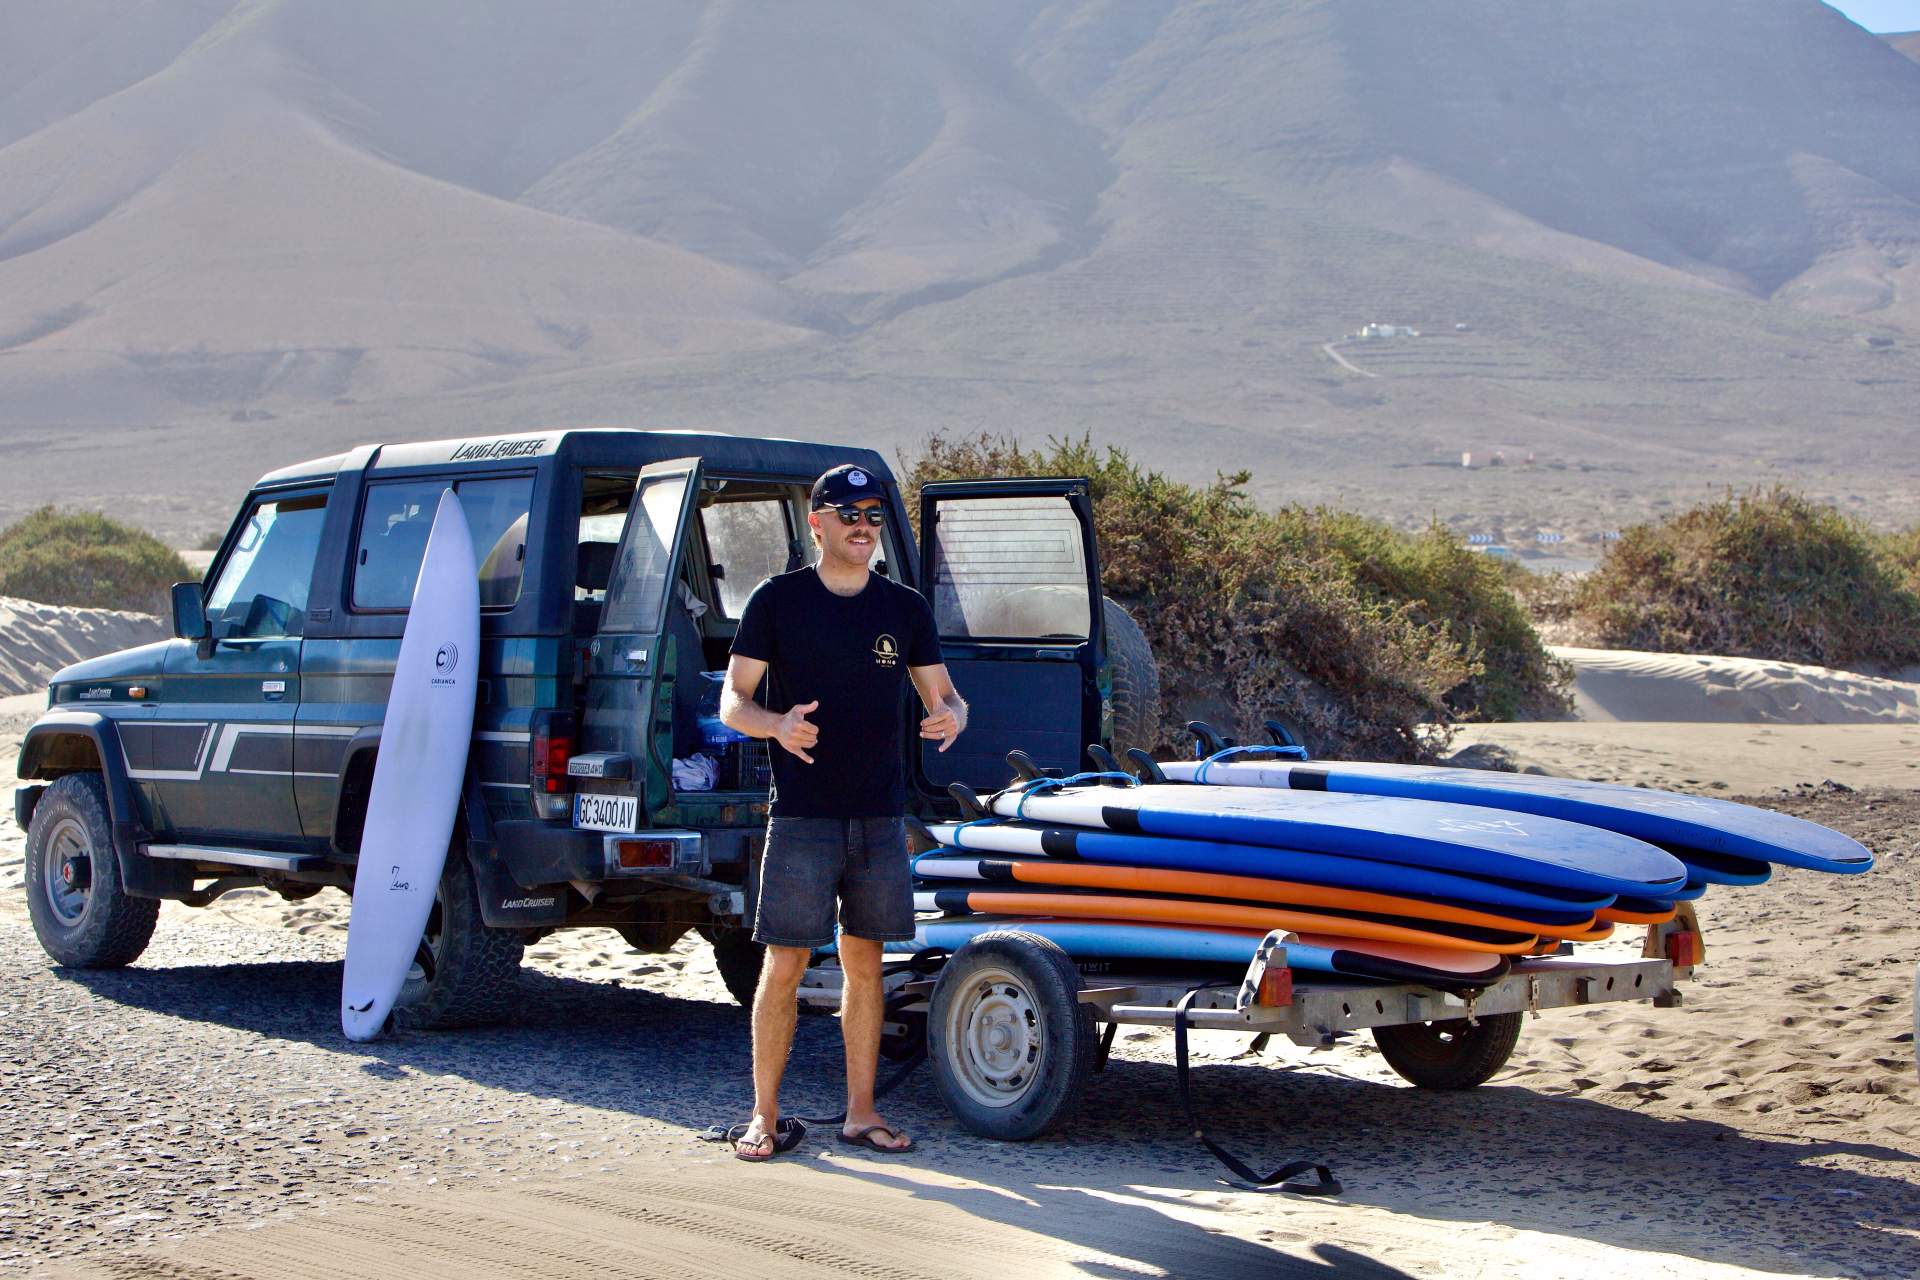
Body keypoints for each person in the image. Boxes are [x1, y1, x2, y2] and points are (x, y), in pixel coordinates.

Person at [719, 463, 968, 1161]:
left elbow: (948, 697)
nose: (863, 526)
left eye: (874, 515)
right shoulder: (777, 601)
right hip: (801, 816)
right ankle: (763, 1117)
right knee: (786, 964)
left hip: (879, 817)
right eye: (849, 513)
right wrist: (775, 725)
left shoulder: (905, 609)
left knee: (867, 964)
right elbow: (732, 701)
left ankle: (861, 1114)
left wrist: (950, 718)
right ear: (817, 522)